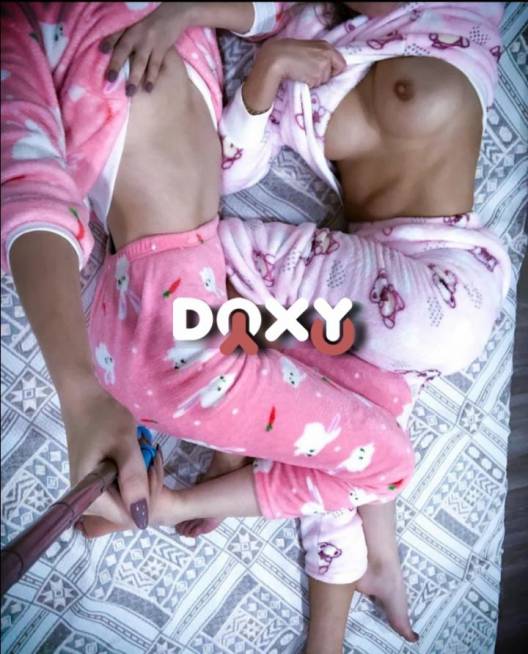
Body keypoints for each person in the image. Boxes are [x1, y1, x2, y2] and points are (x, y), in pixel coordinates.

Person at [1, 5, 416, 652]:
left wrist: (187, 13)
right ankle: (176, 504)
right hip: (169, 338)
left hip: (205, 299)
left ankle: (166, 485)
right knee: (390, 465)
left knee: (386, 386)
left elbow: (278, 11)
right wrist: (79, 392)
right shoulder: (24, 22)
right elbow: (26, 193)